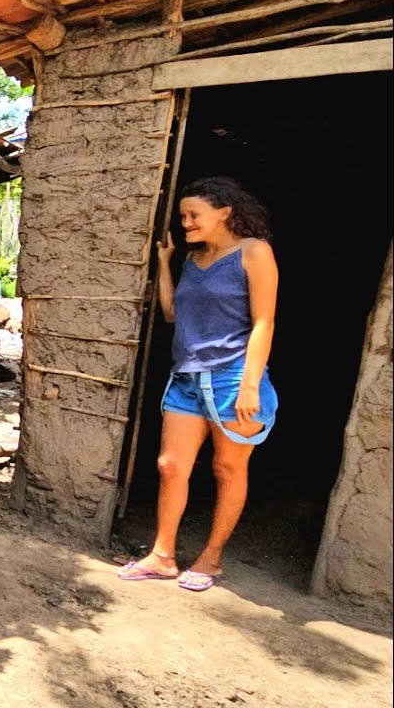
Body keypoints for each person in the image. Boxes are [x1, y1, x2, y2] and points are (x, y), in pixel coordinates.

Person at [117, 177, 279, 592]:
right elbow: (171, 314)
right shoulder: (192, 259)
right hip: (187, 378)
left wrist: (249, 385)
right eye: (183, 216)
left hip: (233, 379)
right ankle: (162, 555)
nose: (185, 222)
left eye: (194, 215)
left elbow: (264, 321)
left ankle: (211, 558)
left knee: (227, 469)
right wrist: (166, 262)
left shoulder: (254, 253)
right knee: (170, 466)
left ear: (225, 213)